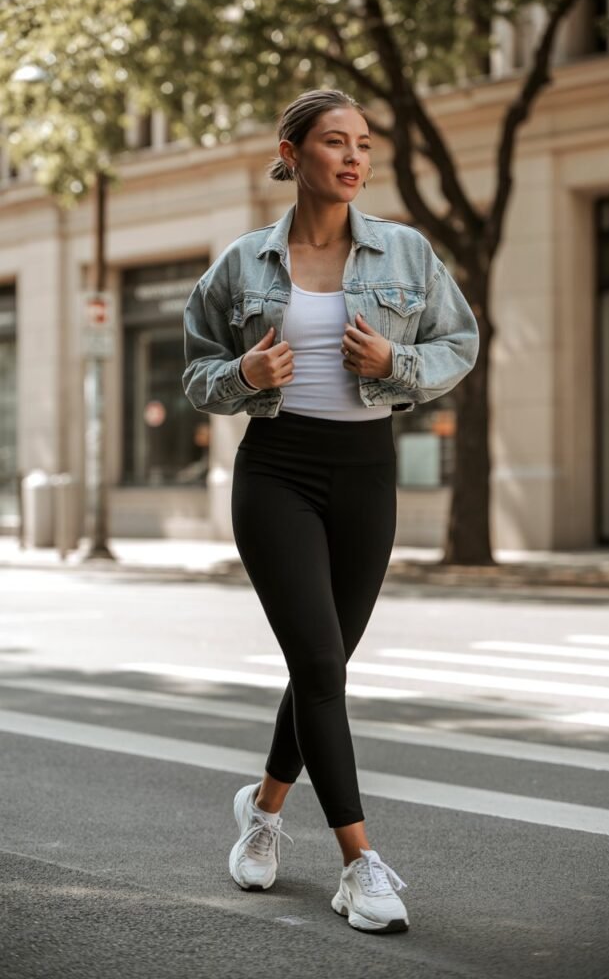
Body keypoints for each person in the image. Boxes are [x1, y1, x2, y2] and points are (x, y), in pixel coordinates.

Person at [182, 88, 479, 935]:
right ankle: (359, 865)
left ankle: (265, 811)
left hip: (365, 473)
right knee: (318, 661)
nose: (354, 158)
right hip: (277, 472)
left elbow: (459, 342)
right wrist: (245, 376)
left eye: (365, 145)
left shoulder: (405, 253)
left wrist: (400, 360)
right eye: (335, 142)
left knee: (325, 667)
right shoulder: (243, 263)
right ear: (293, 150)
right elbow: (196, 373)